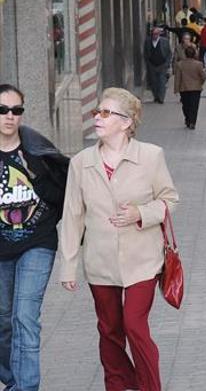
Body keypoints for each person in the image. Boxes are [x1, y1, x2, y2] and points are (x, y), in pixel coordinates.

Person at [59, 88, 178, 391]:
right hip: (100, 262)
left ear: (126, 123)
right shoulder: (81, 163)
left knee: (135, 326)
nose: (97, 118)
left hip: (143, 261)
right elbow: (72, 215)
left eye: (106, 113)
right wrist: (68, 266)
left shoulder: (151, 156)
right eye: (97, 112)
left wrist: (141, 212)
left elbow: (169, 200)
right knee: (110, 332)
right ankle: (117, 384)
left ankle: (150, 386)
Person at [0, 84, 69, 391]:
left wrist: (36, 175)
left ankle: (25, 388)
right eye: (3, 110)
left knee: (25, 317)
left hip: (37, 244)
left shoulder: (37, 151)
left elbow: (60, 197)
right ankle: (14, 380)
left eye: (16, 110)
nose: (10, 117)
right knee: (3, 323)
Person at [174, 46, 206, 129]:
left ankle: (188, 119)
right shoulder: (198, 64)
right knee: (194, 106)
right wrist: (200, 83)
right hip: (196, 89)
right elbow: (204, 76)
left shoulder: (180, 64)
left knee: (186, 105)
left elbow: (177, 77)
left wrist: (176, 89)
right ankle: (193, 121)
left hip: (184, 88)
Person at [143, 26, 172, 104]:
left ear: (159, 34)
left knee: (162, 81)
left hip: (162, 64)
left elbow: (169, 53)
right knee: (154, 82)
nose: (155, 36)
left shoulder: (165, 41)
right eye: (153, 34)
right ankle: (156, 96)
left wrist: (167, 64)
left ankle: (161, 98)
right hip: (152, 65)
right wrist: (148, 62)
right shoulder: (148, 41)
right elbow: (145, 53)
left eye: (156, 34)